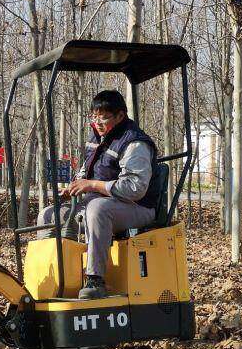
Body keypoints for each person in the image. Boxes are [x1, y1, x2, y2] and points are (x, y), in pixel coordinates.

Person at [37, 89, 160, 299]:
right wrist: (74, 186)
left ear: (120, 116)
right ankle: (52, 279)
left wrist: (92, 185)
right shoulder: (97, 137)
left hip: (139, 208)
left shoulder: (135, 143)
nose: (97, 123)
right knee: (49, 214)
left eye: (102, 118)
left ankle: (95, 280)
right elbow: (87, 169)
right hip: (102, 202)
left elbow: (135, 189)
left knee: (97, 210)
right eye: (94, 117)